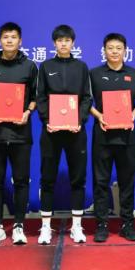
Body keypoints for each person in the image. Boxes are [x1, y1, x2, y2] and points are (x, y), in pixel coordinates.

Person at [0, 22, 37, 245]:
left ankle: (19, 225)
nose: (9, 40)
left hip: (21, 133)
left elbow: (36, 96)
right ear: (0, 40)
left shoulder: (30, 66)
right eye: (5, 37)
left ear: (20, 41)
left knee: (21, 180)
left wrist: (27, 112)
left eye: (13, 37)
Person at [36, 24, 92, 244]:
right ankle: (45, 227)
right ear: (54, 43)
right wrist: (47, 121)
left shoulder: (81, 67)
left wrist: (80, 120)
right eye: (60, 40)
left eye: (67, 40)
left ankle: (76, 226)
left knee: (78, 178)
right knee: (47, 178)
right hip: (51, 131)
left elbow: (86, 98)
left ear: (73, 43)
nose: (63, 44)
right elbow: (40, 97)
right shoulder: (46, 66)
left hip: (76, 131)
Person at [88, 32, 135, 242]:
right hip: (102, 135)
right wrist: (99, 115)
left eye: (118, 48)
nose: (114, 52)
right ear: (104, 50)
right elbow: (86, 102)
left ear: (125, 51)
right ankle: (101, 224)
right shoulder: (94, 74)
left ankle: (127, 224)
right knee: (101, 181)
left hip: (127, 136)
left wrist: (133, 115)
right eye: (110, 48)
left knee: (127, 181)